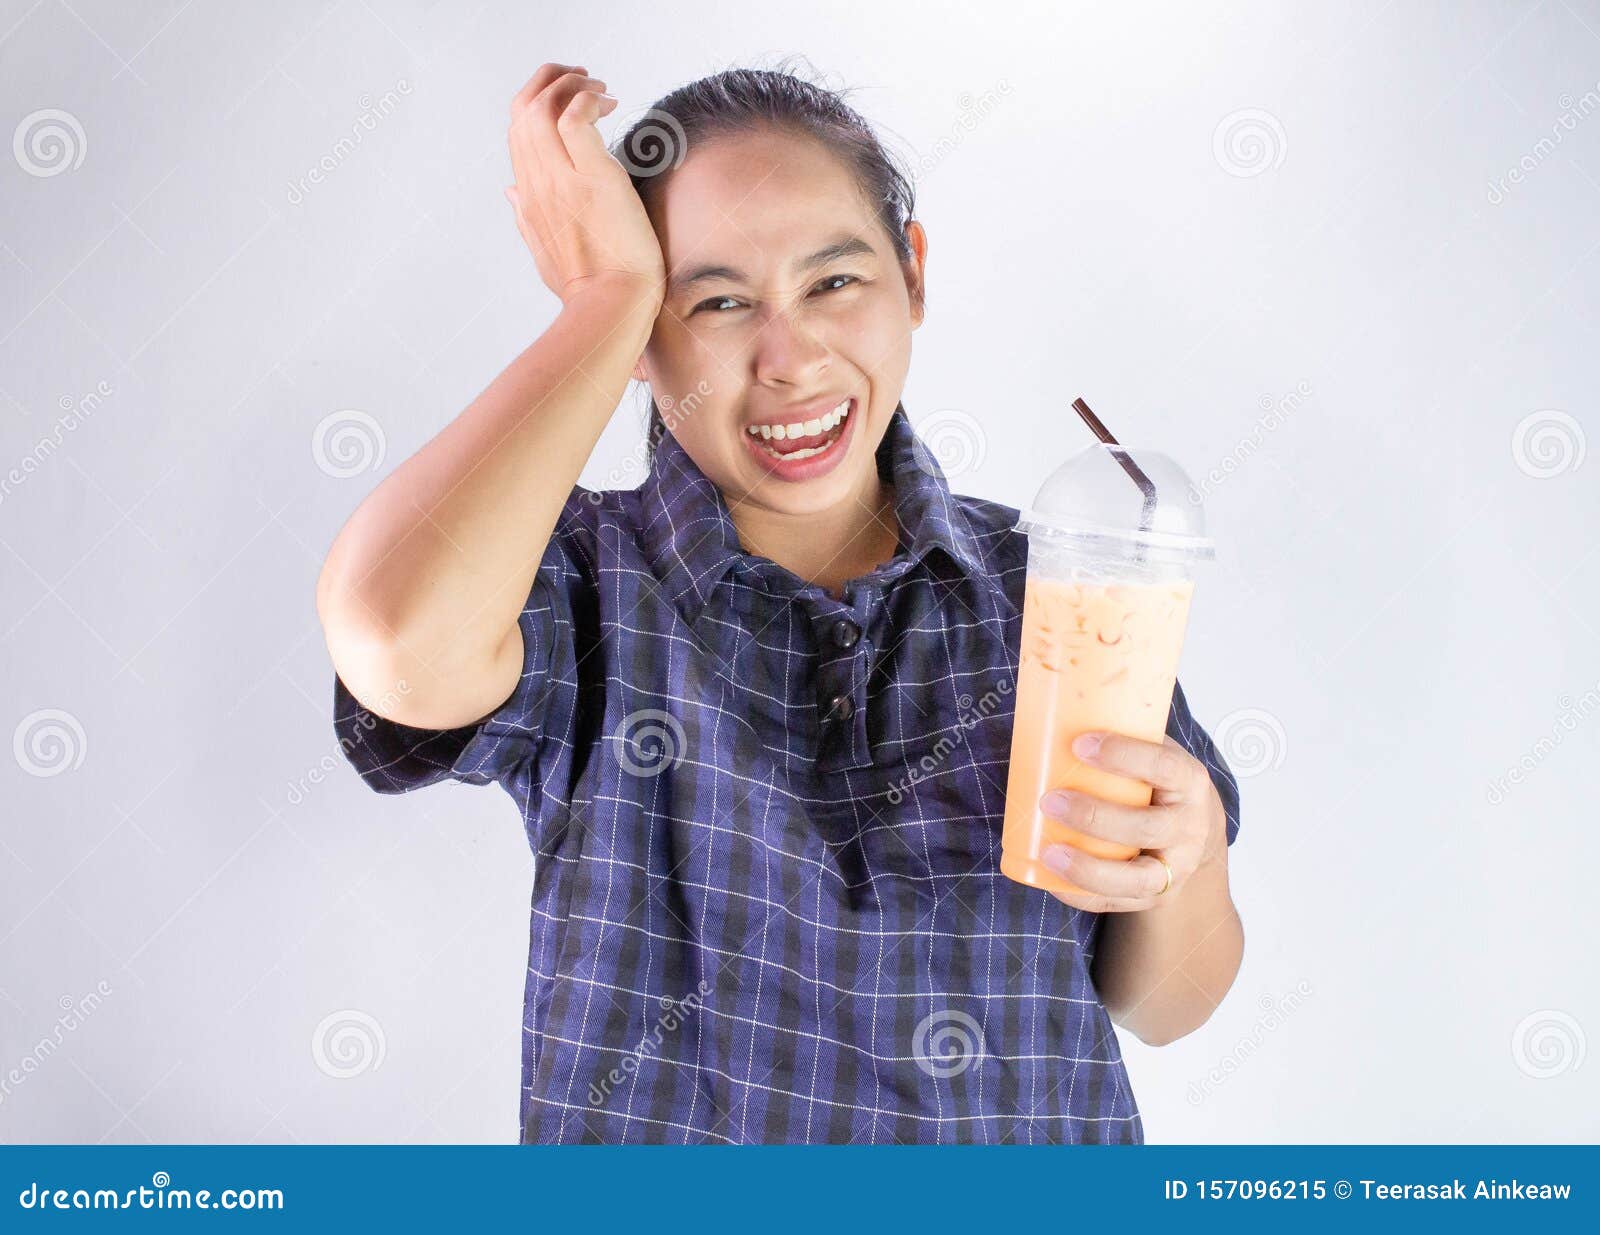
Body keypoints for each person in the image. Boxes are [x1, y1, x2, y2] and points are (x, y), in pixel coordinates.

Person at [315, 59, 1244, 1145]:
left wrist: (1191, 857)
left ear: (914, 275)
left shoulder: (1052, 586)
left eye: (834, 282)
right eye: (714, 302)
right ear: (643, 344)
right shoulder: (579, 581)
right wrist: (602, 295)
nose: (789, 359)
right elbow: (391, 636)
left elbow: (1163, 1003)